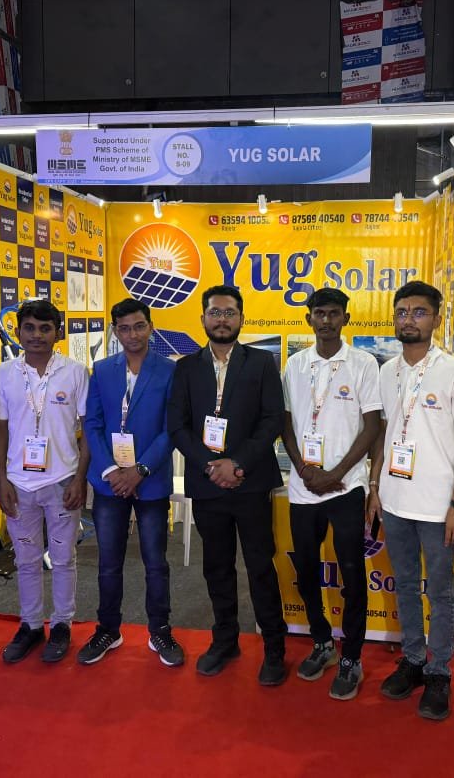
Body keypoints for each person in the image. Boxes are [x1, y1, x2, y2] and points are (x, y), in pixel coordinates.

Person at [366, 281, 454, 720]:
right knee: (406, 585)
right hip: (395, 501)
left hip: (437, 506)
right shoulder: (387, 371)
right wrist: (375, 487)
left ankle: (439, 671)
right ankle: (413, 659)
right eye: (402, 311)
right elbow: (383, 433)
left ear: (437, 319)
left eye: (419, 312)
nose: (409, 319)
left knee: (442, 592)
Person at [167, 285, 289, 685]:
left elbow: (272, 419)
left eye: (229, 313)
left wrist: (237, 463)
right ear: (203, 318)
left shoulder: (262, 362)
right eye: (215, 312)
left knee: (259, 566)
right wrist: (210, 466)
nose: (222, 320)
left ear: (241, 318)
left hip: (250, 482)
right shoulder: (186, 367)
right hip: (208, 485)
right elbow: (178, 426)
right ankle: (225, 640)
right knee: (217, 567)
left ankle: (274, 647)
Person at [281, 288, 382, 700]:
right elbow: (285, 422)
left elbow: (372, 426)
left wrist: (336, 473)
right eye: (319, 313)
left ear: (345, 319)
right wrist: (306, 470)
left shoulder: (363, 364)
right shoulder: (294, 364)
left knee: (352, 574)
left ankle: (351, 657)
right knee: (306, 571)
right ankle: (322, 642)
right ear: (309, 318)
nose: (326, 320)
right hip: (304, 487)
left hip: (346, 486)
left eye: (333, 313)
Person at [79, 298, 183, 667]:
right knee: (109, 561)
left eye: (139, 326)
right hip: (109, 482)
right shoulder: (102, 370)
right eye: (124, 328)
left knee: (156, 561)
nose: (133, 334)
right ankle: (108, 629)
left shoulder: (169, 371)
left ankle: (160, 630)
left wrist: (140, 469)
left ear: (151, 327)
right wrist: (111, 470)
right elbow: (92, 424)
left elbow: (172, 428)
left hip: (150, 480)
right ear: (115, 331)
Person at [0, 299, 89, 664]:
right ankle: (31, 624)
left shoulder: (75, 372)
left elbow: (88, 429)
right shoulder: (3, 373)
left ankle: (62, 623)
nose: (36, 335)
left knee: (63, 559)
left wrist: (80, 478)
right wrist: (0, 480)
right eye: (29, 328)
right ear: (18, 332)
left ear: (57, 333)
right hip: (19, 484)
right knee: (26, 560)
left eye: (45, 328)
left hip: (63, 482)